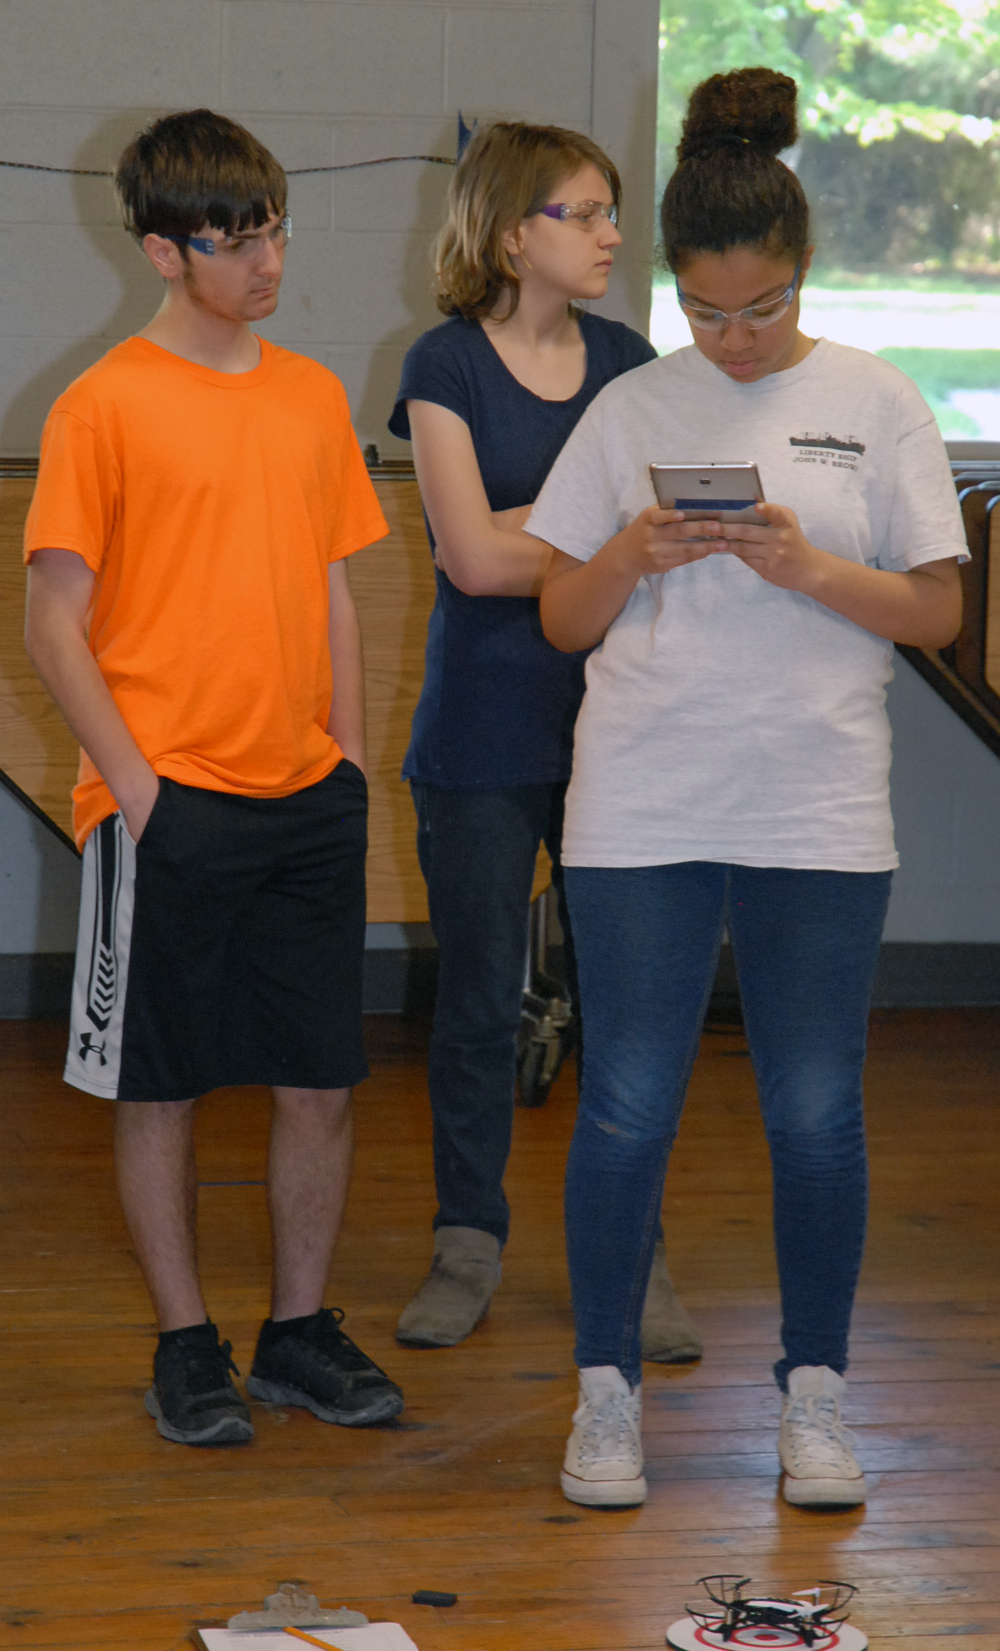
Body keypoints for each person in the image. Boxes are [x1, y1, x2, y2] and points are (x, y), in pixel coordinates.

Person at [528, 66, 966, 1508]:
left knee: (817, 1111)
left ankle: (816, 1395)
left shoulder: (876, 400)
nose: (733, 338)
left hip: (817, 810)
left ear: (802, 268)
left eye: (761, 309)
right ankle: (605, 1395)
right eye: (705, 310)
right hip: (640, 806)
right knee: (626, 1106)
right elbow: (561, 619)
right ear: (674, 285)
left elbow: (939, 610)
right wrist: (630, 553)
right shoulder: (627, 405)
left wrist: (807, 565)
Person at [23, 109, 404, 1447]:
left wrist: (348, 755)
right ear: (163, 252)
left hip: (307, 797)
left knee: (320, 1078)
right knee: (161, 1086)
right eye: (235, 242)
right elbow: (52, 622)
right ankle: (187, 1344)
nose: (267, 262)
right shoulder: (102, 403)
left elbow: (332, 584)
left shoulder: (308, 396)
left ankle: (297, 1331)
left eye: (275, 232)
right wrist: (138, 788)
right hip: (166, 803)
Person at [387, 121, 702, 1361]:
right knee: (476, 1002)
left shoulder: (631, 361)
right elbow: (470, 559)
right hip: (480, 734)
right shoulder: (442, 362)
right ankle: (467, 1240)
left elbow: (672, 525)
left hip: (620, 731)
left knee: (626, 1007)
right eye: (585, 212)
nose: (614, 233)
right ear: (513, 234)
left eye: (613, 210)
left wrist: (549, 529)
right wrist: (604, 535)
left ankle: (635, 1252)